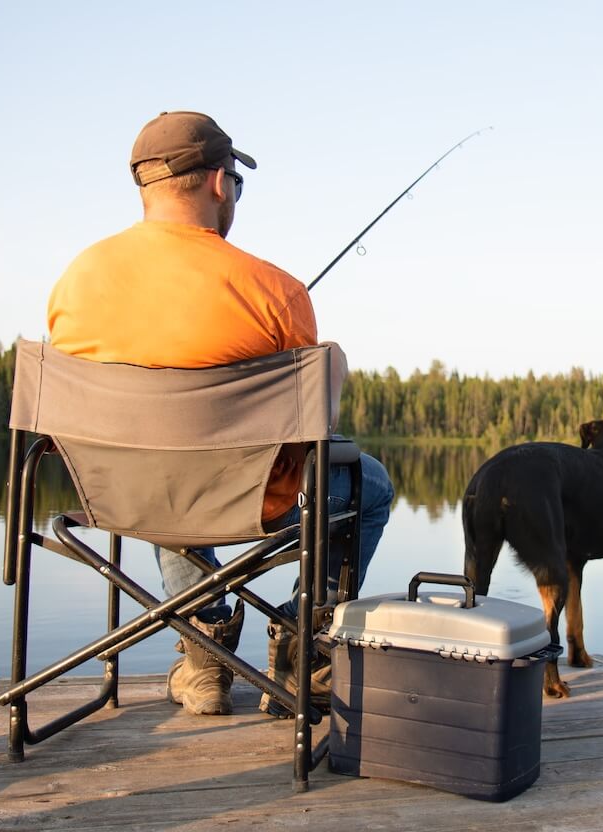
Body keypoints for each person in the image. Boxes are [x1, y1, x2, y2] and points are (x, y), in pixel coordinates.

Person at [46, 111, 394, 717]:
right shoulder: (274, 291)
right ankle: (299, 640)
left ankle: (204, 654)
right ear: (217, 182)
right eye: (237, 181)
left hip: (117, 497)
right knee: (373, 486)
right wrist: (331, 367)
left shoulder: (75, 281)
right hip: (252, 499)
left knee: (163, 474)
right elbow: (315, 429)